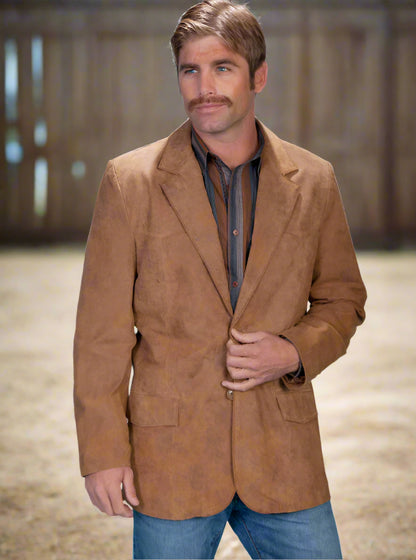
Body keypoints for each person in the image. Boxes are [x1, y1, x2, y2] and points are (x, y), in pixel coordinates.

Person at [73, 1, 366, 558]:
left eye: (222, 68)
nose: (204, 87)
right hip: (171, 461)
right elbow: (100, 333)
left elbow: (343, 299)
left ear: (258, 76)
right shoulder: (129, 182)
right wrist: (103, 452)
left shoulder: (315, 181)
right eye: (190, 70)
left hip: (283, 455)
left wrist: (293, 351)